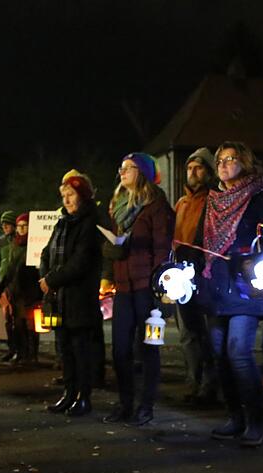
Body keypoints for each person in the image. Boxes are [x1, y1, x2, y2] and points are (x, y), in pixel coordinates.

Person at [196, 141, 263, 448]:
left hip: (245, 288)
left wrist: (252, 258)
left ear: (244, 162)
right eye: (220, 159)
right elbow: (200, 240)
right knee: (219, 355)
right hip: (215, 286)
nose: (223, 164)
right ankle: (235, 417)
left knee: (238, 353)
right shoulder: (212, 200)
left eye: (230, 158)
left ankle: (256, 420)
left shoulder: (260, 196)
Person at [102, 152, 174, 426]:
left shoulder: (157, 207)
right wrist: (110, 252)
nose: (122, 172)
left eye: (129, 168)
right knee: (120, 350)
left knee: (148, 348)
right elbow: (114, 244)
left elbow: (162, 250)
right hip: (124, 288)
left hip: (147, 288)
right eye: (121, 167)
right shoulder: (117, 206)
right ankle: (125, 403)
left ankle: (146, 406)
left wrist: (162, 292)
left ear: (142, 173)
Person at [39, 172, 103, 417]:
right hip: (60, 297)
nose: (66, 200)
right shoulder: (62, 222)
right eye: (63, 196)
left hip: (79, 297)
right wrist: (45, 276)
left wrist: (51, 280)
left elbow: (81, 262)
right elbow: (47, 251)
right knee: (64, 348)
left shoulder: (89, 223)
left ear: (82, 196)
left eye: (71, 195)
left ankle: (83, 397)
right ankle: (68, 393)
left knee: (80, 350)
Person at [172, 147, 219, 405]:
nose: (193, 172)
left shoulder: (213, 200)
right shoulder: (181, 203)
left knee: (208, 332)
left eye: (199, 167)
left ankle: (210, 385)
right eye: (190, 168)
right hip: (181, 273)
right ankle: (193, 381)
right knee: (187, 332)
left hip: (204, 273)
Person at [0, 213, 43, 364]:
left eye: (25, 226)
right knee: (17, 323)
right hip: (15, 290)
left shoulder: (36, 244)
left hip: (30, 290)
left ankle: (32, 355)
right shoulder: (13, 246)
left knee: (31, 323)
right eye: (19, 226)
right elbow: (9, 269)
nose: (22, 229)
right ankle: (21, 353)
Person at [0, 210, 20, 361]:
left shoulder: (19, 241)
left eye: (7, 224)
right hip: (5, 285)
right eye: (3, 224)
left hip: (17, 285)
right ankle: (12, 348)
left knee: (20, 320)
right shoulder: (0, 242)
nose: (4, 226)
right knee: (8, 320)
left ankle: (23, 351)